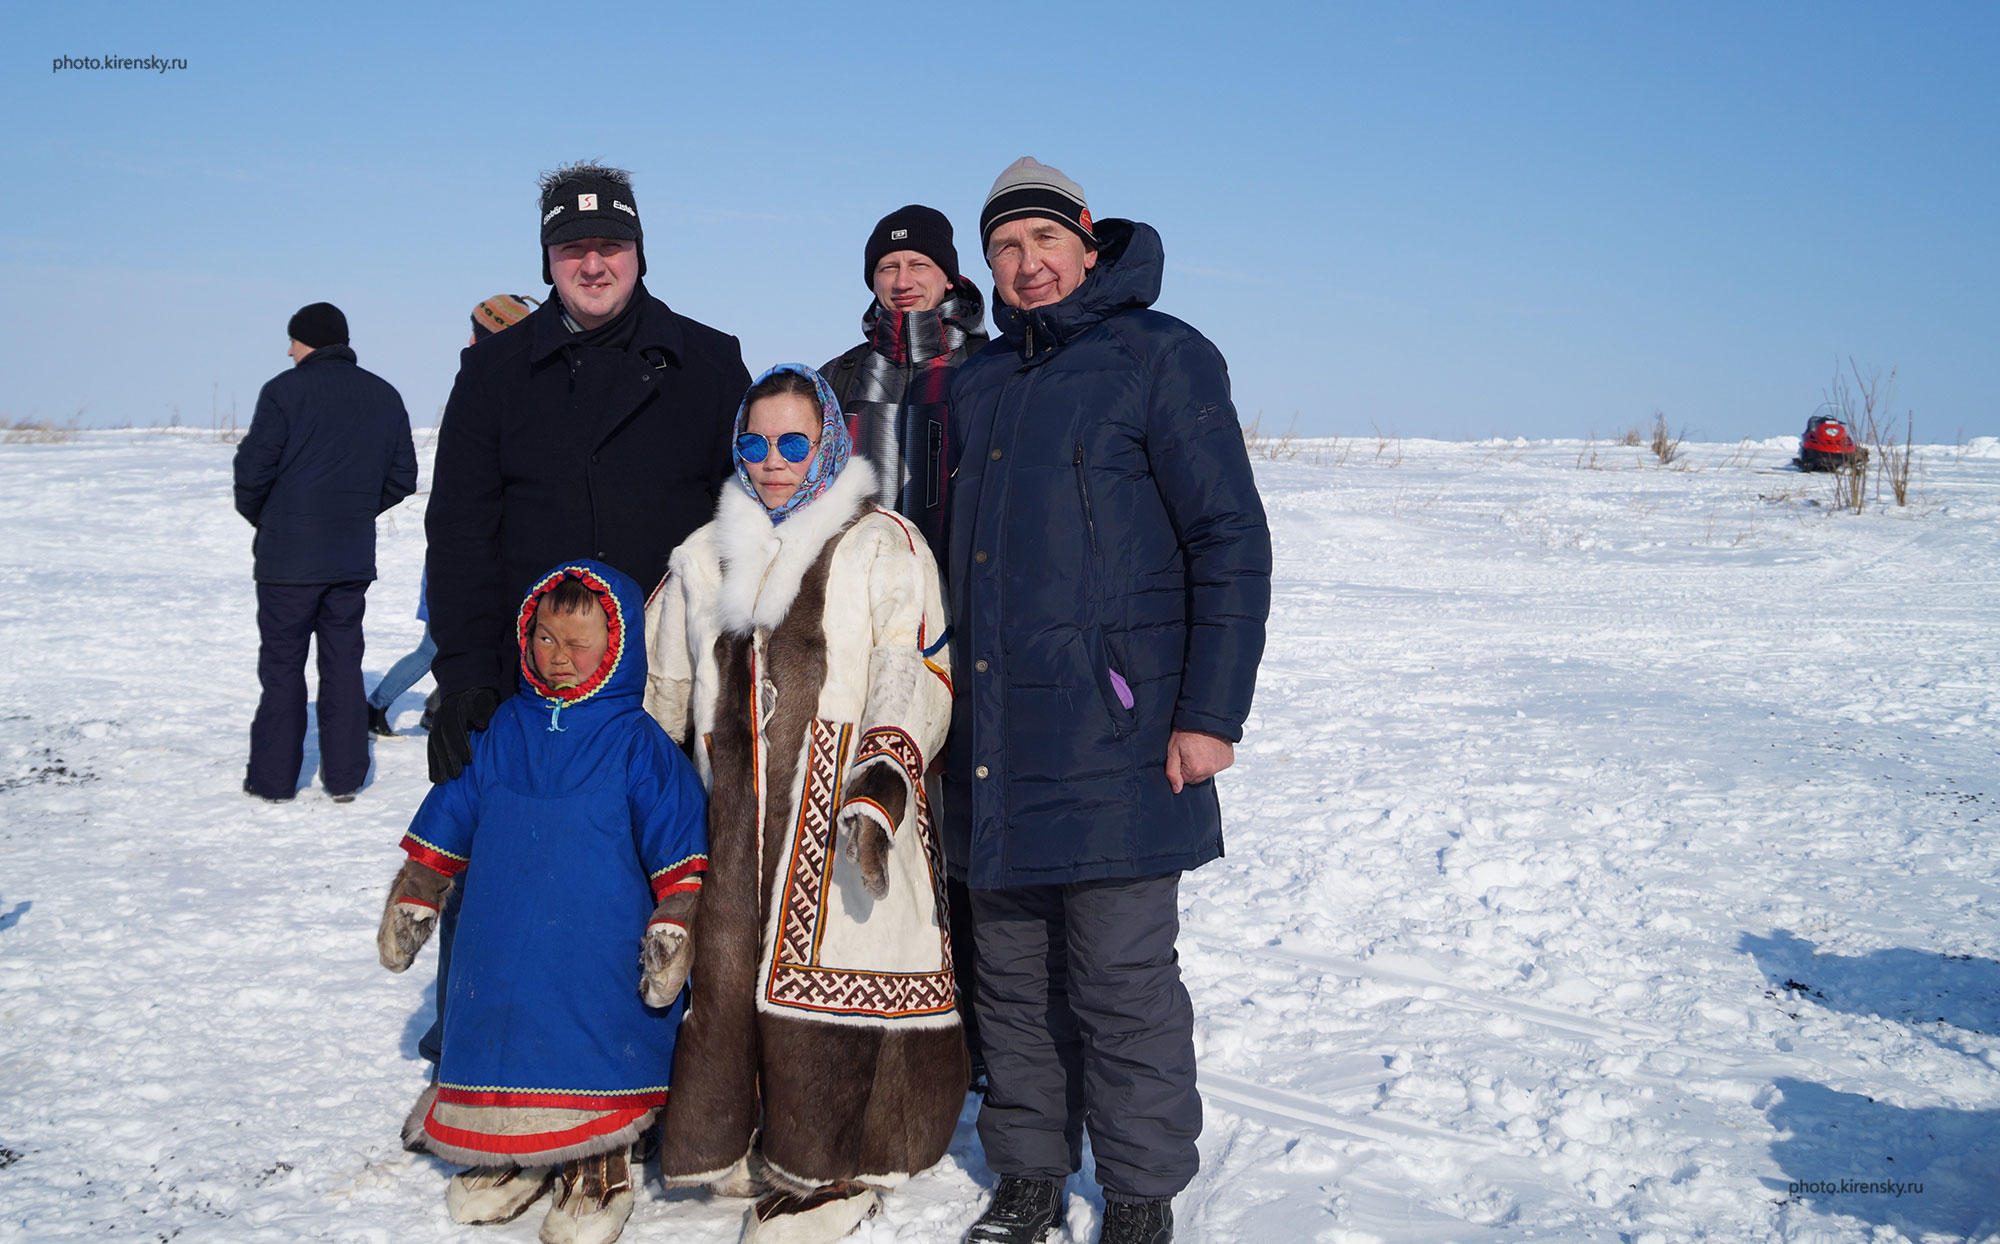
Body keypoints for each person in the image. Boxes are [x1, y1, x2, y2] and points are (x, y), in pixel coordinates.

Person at [944, 160, 1272, 1244]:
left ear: (1089, 246)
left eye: (1043, 241)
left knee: (1120, 979)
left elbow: (1227, 538)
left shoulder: (1161, 356)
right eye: (1003, 248)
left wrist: (1208, 714)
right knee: (1010, 980)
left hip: (1118, 731)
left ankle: (1137, 1190)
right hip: (994, 733)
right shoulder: (978, 380)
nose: (1025, 265)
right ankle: (1029, 1172)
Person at [643, 365, 963, 1243]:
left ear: (829, 442)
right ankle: (741, 1134)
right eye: (756, 443)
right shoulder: (701, 556)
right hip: (729, 815)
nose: (774, 461)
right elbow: (663, 694)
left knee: (836, 969)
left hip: (843, 807)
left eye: (794, 443)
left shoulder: (880, 542)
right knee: (730, 969)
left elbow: (913, 665)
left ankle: (835, 1164)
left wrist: (883, 777)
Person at [377, 560, 707, 1244]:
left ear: (617, 648)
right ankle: (509, 1147)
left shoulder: (637, 746)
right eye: (546, 639)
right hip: (498, 943)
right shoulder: (502, 731)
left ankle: (598, 1157)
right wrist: (418, 890)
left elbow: (679, 846)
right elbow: (451, 813)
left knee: (591, 1039)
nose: (559, 657)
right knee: (500, 1028)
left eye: (579, 643)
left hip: (596, 946)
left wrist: (675, 918)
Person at [425, 161, 750, 786]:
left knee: (672, 876)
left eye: (612, 246)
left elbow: (744, 527)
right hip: (530, 687)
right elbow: (462, 535)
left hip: (673, 693)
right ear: (548, 259)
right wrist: (465, 678)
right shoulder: (492, 374)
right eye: (573, 247)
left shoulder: (709, 363)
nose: (594, 265)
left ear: (640, 254)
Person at [820, 203, 991, 1086]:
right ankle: (879, 983)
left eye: (918, 263)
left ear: (951, 276)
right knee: (880, 791)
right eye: (887, 267)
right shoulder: (842, 374)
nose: (901, 277)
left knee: (963, 817)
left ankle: (976, 1016)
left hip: (968, 612)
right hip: (868, 623)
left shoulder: (987, 369)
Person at [233, 301, 417, 802]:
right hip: (349, 558)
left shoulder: (282, 391)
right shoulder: (383, 394)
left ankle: (273, 781)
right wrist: (353, 512)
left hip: (286, 563)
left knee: (283, 669)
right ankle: (344, 778)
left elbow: (251, 474)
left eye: (293, 340)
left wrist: (272, 519)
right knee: (342, 665)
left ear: (309, 340)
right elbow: (403, 477)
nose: (288, 349)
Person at [368, 296, 539, 739]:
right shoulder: (486, 388)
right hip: (461, 555)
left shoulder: (505, 388)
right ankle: (378, 706)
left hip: (494, 554)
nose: (468, 342)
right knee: (439, 645)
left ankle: (427, 705)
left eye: (477, 334)